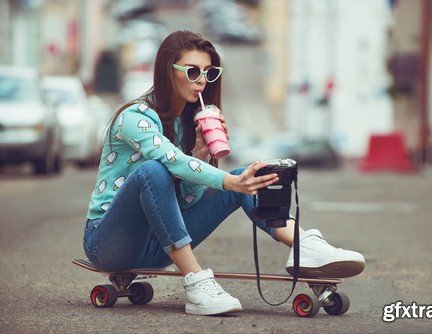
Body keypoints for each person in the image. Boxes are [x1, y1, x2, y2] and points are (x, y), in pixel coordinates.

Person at [83, 30, 365, 316]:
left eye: (209, 72)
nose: (202, 80)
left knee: (240, 177)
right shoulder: (136, 118)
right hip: (108, 244)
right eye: (192, 71)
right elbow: (171, 161)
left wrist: (202, 154)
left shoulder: (188, 123)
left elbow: (185, 202)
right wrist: (229, 180)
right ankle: (196, 283)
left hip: (158, 247)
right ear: (168, 71)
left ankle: (306, 246)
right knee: (153, 171)